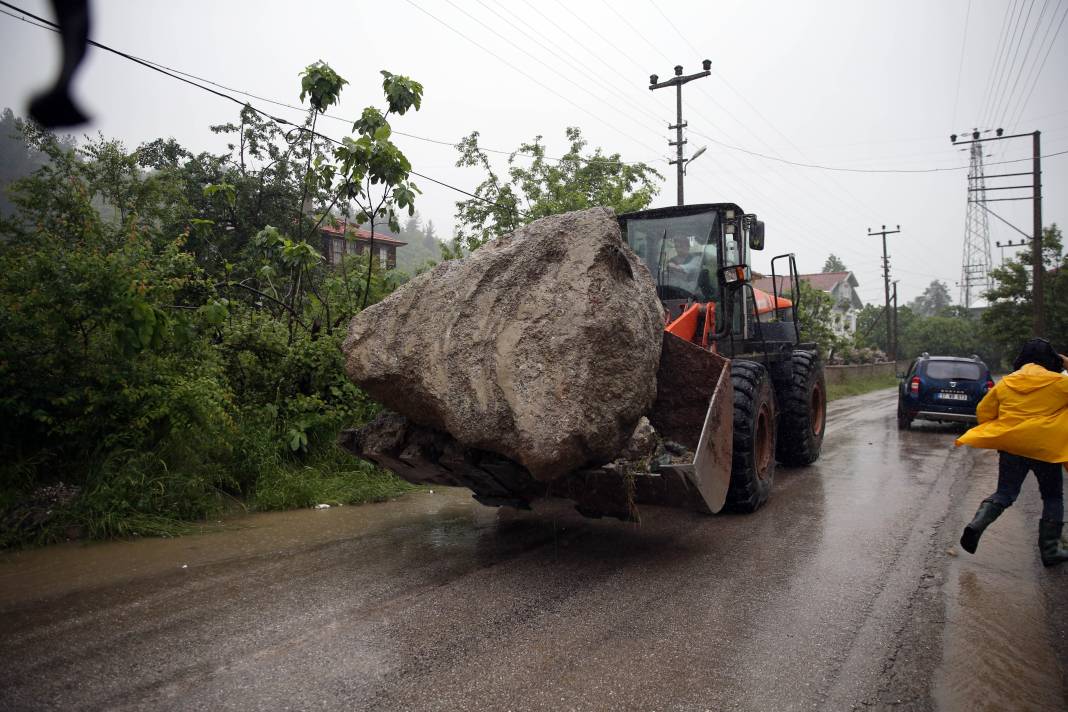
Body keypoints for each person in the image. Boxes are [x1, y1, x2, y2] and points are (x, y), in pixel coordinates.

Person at [955, 338, 1068, 566]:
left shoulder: (1006, 383)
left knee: (1005, 493)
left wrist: (1000, 433)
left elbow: (984, 411)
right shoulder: (1059, 384)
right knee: (1052, 496)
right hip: (1045, 448)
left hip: (1012, 447)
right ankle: (1050, 550)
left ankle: (977, 524)